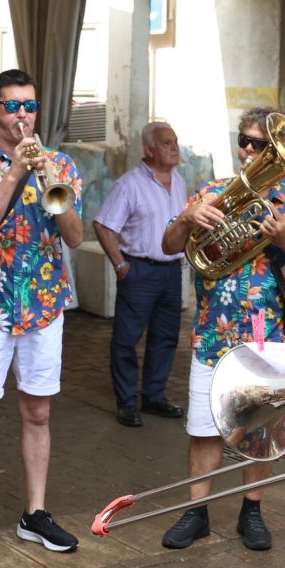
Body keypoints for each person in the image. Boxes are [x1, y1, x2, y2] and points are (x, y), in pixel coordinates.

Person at [159, 107, 285, 553]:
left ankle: (251, 511)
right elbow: (169, 246)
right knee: (202, 428)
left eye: (259, 145)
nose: (248, 150)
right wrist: (187, 218)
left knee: (261, 430)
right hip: (212, 334)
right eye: (245, 141)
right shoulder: (213, 192)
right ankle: (197, 512)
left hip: (269, 337)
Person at [0, 69, 85, 567]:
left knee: (39, 412)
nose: (23, 115)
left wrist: (50, 176)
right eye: (12, 106)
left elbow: (73, 235)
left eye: (29, 105)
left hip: (45, 303)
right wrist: (14, 175)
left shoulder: (62, 163)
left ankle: (36, 512)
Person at [95, 120, 190, 427]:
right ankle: (126, 403)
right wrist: (120, 265)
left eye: (175, 141)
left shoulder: (181, 182)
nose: (174, 147)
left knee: (165, 338)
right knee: (126, 339)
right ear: (149, 149)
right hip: (139, 271)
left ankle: (153, 397)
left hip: (170, 272)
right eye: (166, 142)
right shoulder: (130, 184)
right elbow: (104, 225)